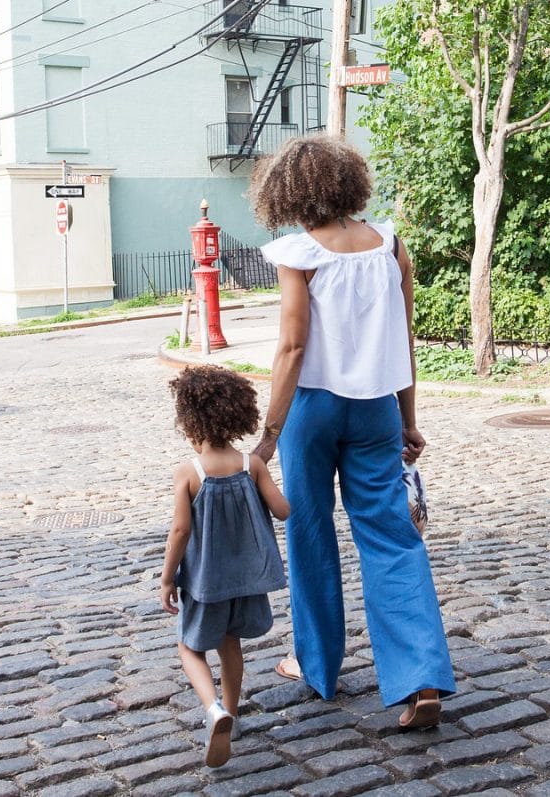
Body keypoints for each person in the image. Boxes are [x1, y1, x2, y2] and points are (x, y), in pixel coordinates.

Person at [247, 134, 456, 729]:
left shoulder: (298, 253)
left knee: (310, 532)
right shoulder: (390, 245)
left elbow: (292, 347)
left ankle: (316, 665)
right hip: (376, 410)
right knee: (393, 537)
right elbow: (403, 339)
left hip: (312, 409)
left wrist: (268, 436)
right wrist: (408, 419)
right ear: (349, 183)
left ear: (288, 193)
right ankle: (420, 677)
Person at [160, 365, 290, 767]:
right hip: (247, 580)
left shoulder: (189, 472)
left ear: (190, 423)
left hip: (205, 583)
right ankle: (232, 713)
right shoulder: (252, 465)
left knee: (189, 646)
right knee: (230, 644)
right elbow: (283, 510)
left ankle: (213, 708)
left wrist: (167, 578)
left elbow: (181, 530)